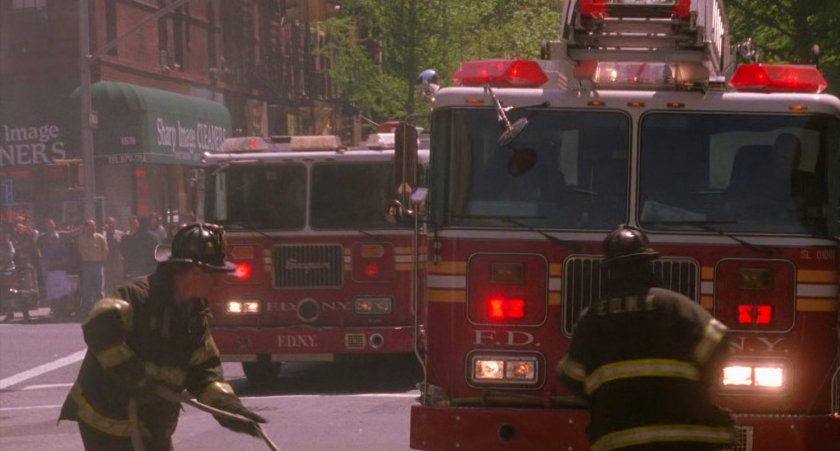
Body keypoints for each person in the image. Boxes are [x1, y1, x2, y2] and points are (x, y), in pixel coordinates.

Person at [59, 223, 267, 450]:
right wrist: (133, 376)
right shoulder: (138, 296)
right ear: (196, 273)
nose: (219, 283)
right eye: (216, 276)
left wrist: (230, 409)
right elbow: (98, 324)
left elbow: (205, 371)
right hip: (108, 420)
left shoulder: (194, 316)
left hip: (153, 425)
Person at [557, 225, 735, 451]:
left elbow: (571, 377)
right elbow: (719, 341)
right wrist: (702, 383)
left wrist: (607, 397)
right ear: (647, 264)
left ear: (609, 271)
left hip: (622, 441)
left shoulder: (592, 320)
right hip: (689, 439)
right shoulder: (675, 306)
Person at [37, 218, 72, 315]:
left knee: (64, 290)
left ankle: (65, 309)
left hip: (61, 271)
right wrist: (45, 262)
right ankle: (54, 309)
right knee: (52, 290)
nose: (54, 240)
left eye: (51, 224)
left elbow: (65, 260)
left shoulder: (62, 246)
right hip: (49, 269)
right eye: (48, 224)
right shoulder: (42, 237)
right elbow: (40, 252)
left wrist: (56, 263)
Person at [76, 219, 108, 313]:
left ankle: (101, 307)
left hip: (97, 264)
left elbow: (105, 250)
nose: (92, 228)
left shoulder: (100, 237)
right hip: (86, 265)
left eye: (93, 226)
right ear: (85, 227)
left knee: (99, 287)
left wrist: (102, 261)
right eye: (89, 226)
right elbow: (78, 251)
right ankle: (87, 308)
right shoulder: (81, 238)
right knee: (87, 287)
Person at [103, 216, 125, 294]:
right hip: (107, 262)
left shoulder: (121, 234)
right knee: (108, 283)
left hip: (118, 262)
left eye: (112, 223)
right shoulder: (103, 235)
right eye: (108, 223)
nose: (111, 224)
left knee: (118, 282)